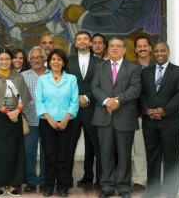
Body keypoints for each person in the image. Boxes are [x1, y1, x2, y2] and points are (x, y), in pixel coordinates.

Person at [91, 37, 141, 198]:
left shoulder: (133, 68)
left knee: (124, 154)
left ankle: (124, 187)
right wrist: (107, 101)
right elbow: (95, 87)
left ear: (124, 50)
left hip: (125, 116)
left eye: (118, 46)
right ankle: (107, 186)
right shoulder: (100, 67)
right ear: (108, 49)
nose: (114, 48)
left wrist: (117, 101)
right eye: (111, 46)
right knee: (105, 154)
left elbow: (135, 89)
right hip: (104, 116)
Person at [140, 42, 179, 198]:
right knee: (152, 158)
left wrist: (164, 111)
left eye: (163, 51)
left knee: (171, 159)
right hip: (149, 123)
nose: (159, 53)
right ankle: (153, 193)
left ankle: (171, 193)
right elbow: (141, 95)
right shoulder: (146, 72)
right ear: (153, 53)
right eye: (156, 51)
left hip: (170, 123)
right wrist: (147, 110)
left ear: (168, 52)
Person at [0, 48, 32, 196]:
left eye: (7, 59)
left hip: (15, 118)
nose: (4, 62)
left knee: (14, 151)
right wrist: (7, 112)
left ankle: (12, 184)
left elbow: (24, 96)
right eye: (1, 59)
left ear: (11, 61)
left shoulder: (17, 76)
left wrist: (17, 111)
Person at [36, 48, 79, 197]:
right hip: (47, 121)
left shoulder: (71, 79)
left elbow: (75, 101)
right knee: (49, 155)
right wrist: (50, 119)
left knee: (64, 156)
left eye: (59, 59)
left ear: (64, 62)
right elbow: (39, 101)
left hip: (67, 122)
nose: (56, 62)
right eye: (53, 59)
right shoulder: (42, 79)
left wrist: (66, 119)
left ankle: (63, 186)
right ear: (49, 62)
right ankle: (48, 186)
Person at [66, 31, 103, 188]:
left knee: (96, 146)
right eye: (79, 39)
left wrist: (87, 97)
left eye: (85, 39)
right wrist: (77, 99)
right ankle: (66, 180)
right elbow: (64, 84)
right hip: (73, 111)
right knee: (69, 146)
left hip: (93, 108)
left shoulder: (100, 63)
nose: (82, 41)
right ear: (75, 43)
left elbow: (101, 84)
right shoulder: (67, 62)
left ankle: (100, 180)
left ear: (90, 43)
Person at [21, 46, 48, 193]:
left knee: (46, 152)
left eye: (39, 57)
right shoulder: (23, 75)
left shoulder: (52, 74)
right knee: (28, 152)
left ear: (44, 59)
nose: (36, 60)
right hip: (29, 120)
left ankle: (44, 181)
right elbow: (17, 96)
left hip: (48, 120)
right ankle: (31, 181)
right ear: (29, 60)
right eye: (33, 58)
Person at [131, 35, 154, 193]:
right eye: (139, 46)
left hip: (158, 114)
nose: (142, 49)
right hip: (138, 114)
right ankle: (140, 180)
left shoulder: (159, 64)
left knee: (156, 149)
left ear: (150, 48)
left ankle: (155, 179)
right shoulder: (131, 67)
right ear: (135, 49)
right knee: (139, 149)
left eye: (145, 46)